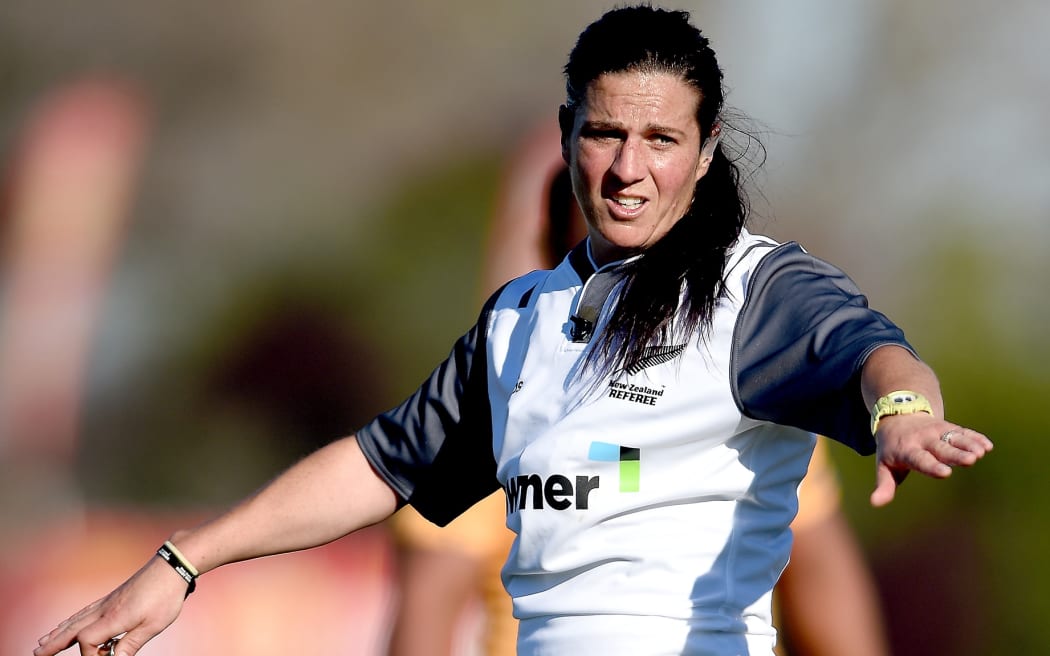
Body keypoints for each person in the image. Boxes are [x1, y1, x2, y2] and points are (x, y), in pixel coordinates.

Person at [34, 6, 992, 656]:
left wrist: (903, 412)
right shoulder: (521, 323)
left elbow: (875, 352)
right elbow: (378, 465)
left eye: (660, 141)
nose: (627, 168)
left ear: (704, 156)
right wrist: (183, 562)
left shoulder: (757, 293)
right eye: (605, 134)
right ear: (569, 131)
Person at [387, 120, 890, 656]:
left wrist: (903, 404)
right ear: (552, 263)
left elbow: (824, 589)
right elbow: (428, 617)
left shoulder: (741, 400)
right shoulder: (504, 406)